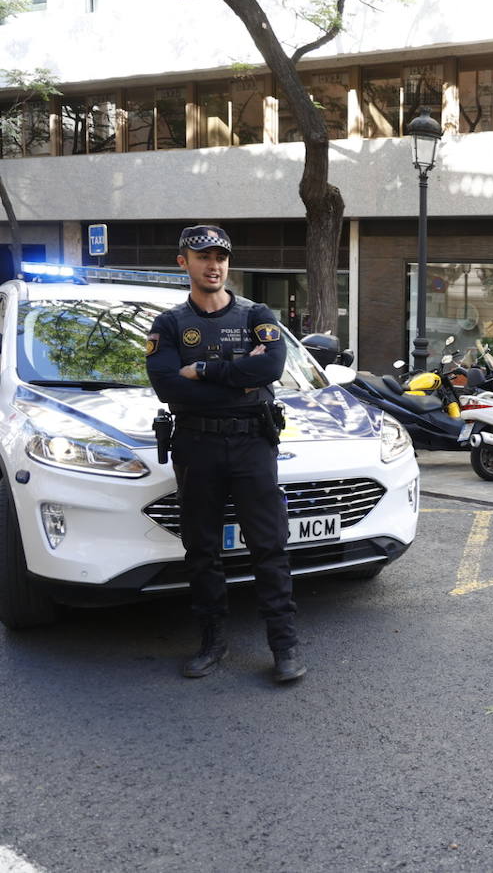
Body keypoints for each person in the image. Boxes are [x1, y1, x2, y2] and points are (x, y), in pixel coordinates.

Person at [145, 224, 305, 683]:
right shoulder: (170, 324)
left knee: (269, 546)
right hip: (197, 444)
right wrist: (238, 376)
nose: (213, 265)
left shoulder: (257, 313)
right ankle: (212, 643)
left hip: (253, 442)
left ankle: (284, 646)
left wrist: (205, 371)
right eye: (203, 257)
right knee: (202, 550)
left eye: (220, 257)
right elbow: (167, 385)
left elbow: (272, 366)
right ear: (184, 263)